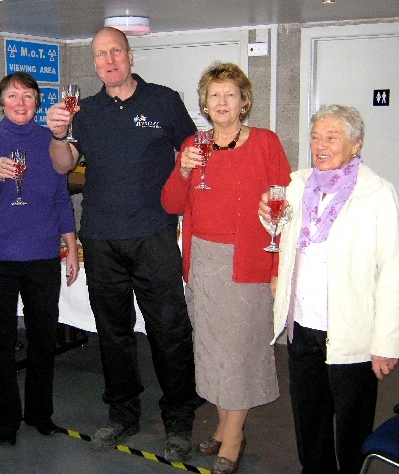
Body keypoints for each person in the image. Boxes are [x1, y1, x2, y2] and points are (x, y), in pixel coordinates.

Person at [45, 26, 198, 463]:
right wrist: (57, 135)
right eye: (100, 55)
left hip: (153, 234)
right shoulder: (85, 111)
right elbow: (63, 166)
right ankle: (123, 413)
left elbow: (188, 155)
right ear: (94, 63)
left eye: (115, 51)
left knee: (169, 330)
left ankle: (179, 418)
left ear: (130, 55)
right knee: (112, 334)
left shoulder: (164, 100)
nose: (109, 60)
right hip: (100, 237)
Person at [260, 104, 399, 474]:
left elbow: (393, 271)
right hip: (304, 325)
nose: (320, 145)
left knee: (352, 428)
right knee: (309, 420)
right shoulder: (297, 184)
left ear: (355, 145)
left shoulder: (375, 193)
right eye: (314, 137)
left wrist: (385, 342)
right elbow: (283, 235)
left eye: (331, 137)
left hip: (351, 332)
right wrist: (267, 216)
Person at [161, 62, 290, 474]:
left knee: (239, 353)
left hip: (246, 262)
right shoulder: (194, 145)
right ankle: (221, 426)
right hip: (202, 261)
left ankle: (233, 438)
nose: (221, 102)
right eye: (214, 95)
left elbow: (284, 208)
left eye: (229, 94)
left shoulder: (265, 143)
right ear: (204, 102)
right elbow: (171, 205)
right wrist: (182, 170)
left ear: (243, 102)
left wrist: (277, 268)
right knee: (212, 349)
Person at [0, 71, 79, 447]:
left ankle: (39, 413)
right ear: (1, 102)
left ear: (37, 102)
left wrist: (72, 247)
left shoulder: (51, 141)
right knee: (0, 342)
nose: (20, 102)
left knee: (43, 339)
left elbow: (62, 199)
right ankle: (4, 421)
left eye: (28, 96)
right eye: (12, 96)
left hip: (42, 255)